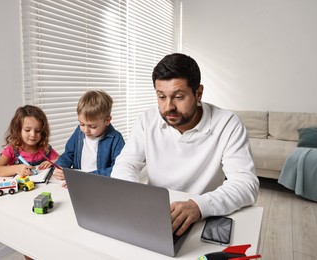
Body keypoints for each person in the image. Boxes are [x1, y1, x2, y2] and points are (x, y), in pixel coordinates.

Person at [111, 53, 259, 237]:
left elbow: (246, 185)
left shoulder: (228, 124)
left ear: (198, 93)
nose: (168, 107)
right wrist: (133, 195)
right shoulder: (147, 119)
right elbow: (126, 163)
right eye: (161, 97)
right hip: (156, 216)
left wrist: (199, 206)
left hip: (204, 215)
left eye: (178, 97)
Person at [53, 90, 125, 182]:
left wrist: (86, 177)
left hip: (100, 183)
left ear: (107, 120)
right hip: (78, 181)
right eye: (82, 124)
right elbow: (68, 154)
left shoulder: (116, 139)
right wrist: (60, 166)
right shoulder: (79, 132)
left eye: (92, 126)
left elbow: (118, 168)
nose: (86, 130)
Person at [0, 105, 59, 178]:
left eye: (37, 131)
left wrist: (54, 162)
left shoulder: (45, 149)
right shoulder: (12, 150)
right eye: (27, 130)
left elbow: (63, 159)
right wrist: (16, 169)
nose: (33, 135)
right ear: (18, 130)